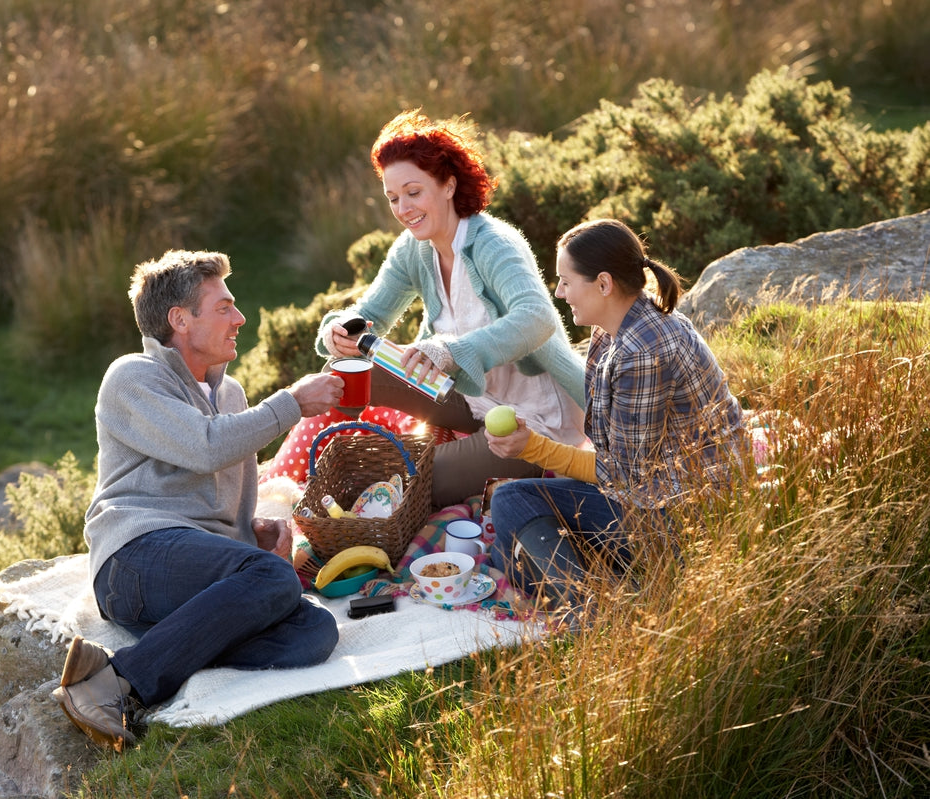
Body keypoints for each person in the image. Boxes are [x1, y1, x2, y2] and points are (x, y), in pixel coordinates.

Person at [53, 250, 344, 750]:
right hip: (134, 560)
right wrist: (293, 402)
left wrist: (247, 530)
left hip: (187, 573)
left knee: (313, 629)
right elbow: (205, 447)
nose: (240, 318)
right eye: (224, 307)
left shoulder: (229, 393)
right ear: (179, 320)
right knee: (273, 577)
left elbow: (212, 489)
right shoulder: (132, 377)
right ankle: (111, 684)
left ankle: (165, 653)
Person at [315, 109, 587, 508]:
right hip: (464, 396)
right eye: (393, 198)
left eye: (413, 192)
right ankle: (335, 460)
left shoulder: (494, 244)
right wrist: (338, 330)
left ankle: (385, 482)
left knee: (415, 479)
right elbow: (369, 311)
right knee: (338, 376)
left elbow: (538, 317)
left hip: (530, 416)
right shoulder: (414, 248)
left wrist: (449, 352)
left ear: (448, 185)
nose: (403, 208)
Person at [485, 218, 749, 623]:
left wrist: (532, 447)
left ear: (604, 284)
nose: (559, 292)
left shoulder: (641, 351)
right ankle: (611, 583)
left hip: (687, 522)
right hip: (661, 494)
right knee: (508, 546)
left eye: (566, 281)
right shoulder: (618, 328)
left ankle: (584, 614)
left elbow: (622, 475)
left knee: (511, 502)